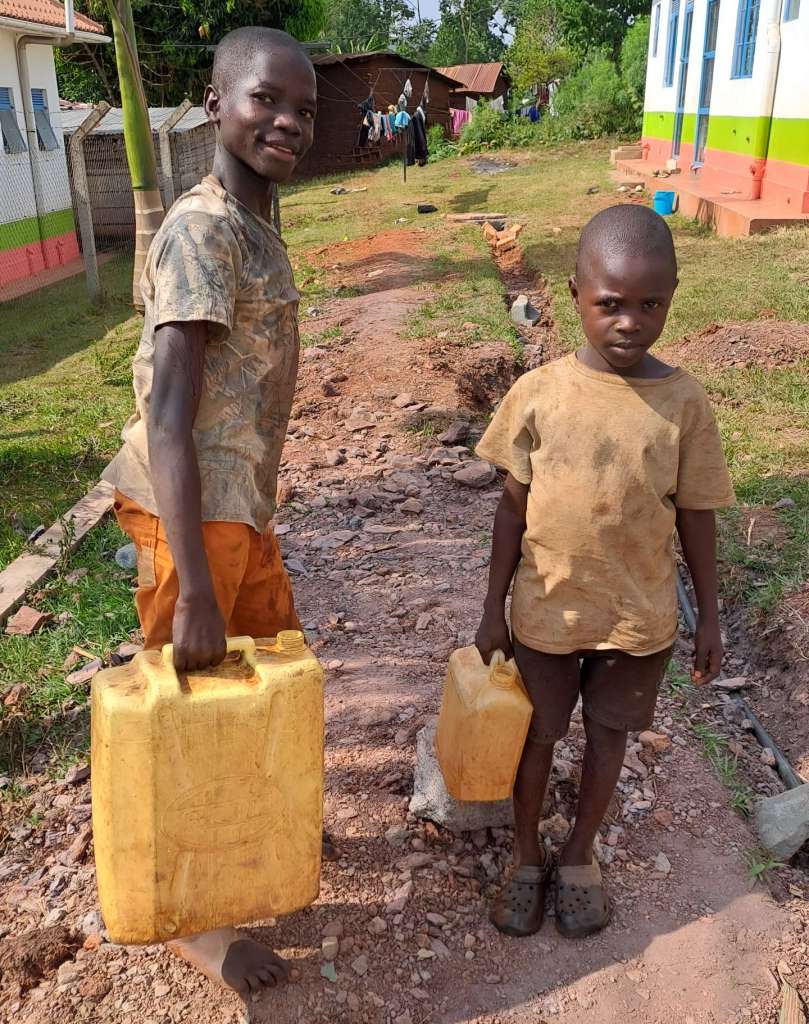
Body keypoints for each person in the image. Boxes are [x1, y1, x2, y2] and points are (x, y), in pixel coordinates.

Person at [103, 27, 325, 994]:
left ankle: (252, 841)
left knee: (268, 668)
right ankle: (198, 923)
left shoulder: (254, 220)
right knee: (186, 703)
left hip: (241, 510)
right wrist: (193, 583)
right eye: (265, 100)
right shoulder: (202, 230)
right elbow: (168, 414)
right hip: (188, 518)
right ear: (214, 105)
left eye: (304, 109)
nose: (286, 121)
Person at [474, 204, 735, 940]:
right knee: (537, 735)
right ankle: (526, 855)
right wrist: (492, 607)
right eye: (609, 305)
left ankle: (580, 852)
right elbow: (509, 509)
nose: (629, 322)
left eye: (649, 304)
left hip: (638, 619)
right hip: (545, 613)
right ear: (573, 296)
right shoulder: (539, 393)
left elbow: (697, 515)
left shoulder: (682, 403)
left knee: (609, 738)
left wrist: (708, 616)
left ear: (672, 297)